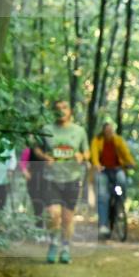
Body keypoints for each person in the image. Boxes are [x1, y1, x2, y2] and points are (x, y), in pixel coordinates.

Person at [34, 100, 88, 264]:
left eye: (64, 107)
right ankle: (53, 243)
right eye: (57, 109)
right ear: (53, 112)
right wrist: (44, 157)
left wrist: (82, 156)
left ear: (70, 111)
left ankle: (65, 247)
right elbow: (36, 148)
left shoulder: (79, 131)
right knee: (53, 214)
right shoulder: (46, 130)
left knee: (67, 218)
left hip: (72, 179)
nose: (61, 111)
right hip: (51, 178)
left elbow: (86, 152)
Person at [90, 122, 136, 237]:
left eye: (111, 130)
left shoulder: (118, 140)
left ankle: (120, 205)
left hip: (117, 169)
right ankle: (103, 225)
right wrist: (96, 165)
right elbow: (94, 155)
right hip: (103, 170)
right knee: (103, 196)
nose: (109, 132)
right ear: (104, 131)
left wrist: (131, 163)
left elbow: (126, 153)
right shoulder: (97, 140)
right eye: (107, 131)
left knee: (122, 181)